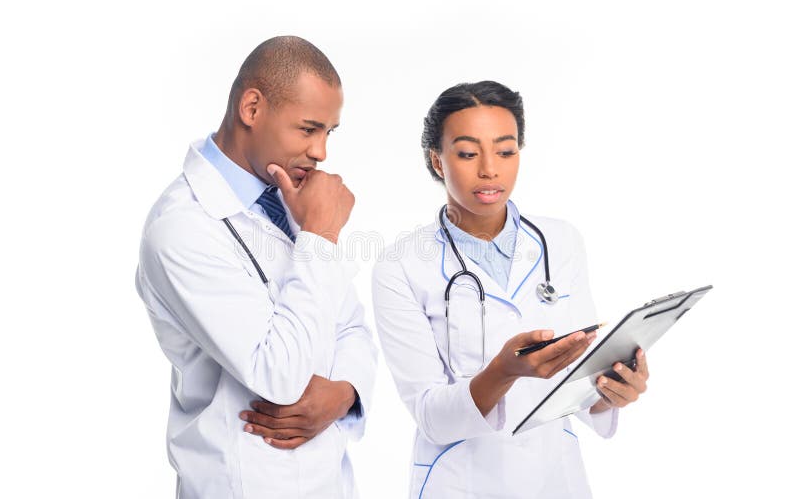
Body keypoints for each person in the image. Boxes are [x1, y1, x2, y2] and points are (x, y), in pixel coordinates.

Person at [371, 81, 649, 498]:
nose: (489, 169)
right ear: (437, 160)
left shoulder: (562, 242)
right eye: (467, 153)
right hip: (461, 481)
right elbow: (430, 415)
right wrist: (502, 373)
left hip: (555, 477)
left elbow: (581, 376)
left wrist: (612, 392)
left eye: (506, 150)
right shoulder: (401, 266)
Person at [136, 36, 377, 499]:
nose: (321, 152)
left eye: (329, 132)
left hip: (329, 482)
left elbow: (351, 328)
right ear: (251, 107)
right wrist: (321, 235)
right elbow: (279, 376)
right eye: (308, 129)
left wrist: (345, 393)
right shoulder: (181, 227)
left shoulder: (288, 199)